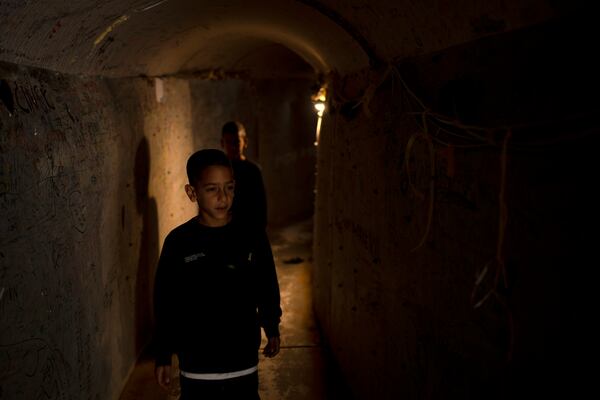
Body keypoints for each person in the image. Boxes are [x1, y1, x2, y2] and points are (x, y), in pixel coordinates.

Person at [152, 149, 282, 400]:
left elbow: (266, 283)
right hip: (197, 364)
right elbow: (165, 301)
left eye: (229, 188)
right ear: (192, 192)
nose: (223, 197)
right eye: (212, 189)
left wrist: (271, 324)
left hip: (242, 357)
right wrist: (163, 354)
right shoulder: (179, 243)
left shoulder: (252, 236)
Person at [221, 121, 268, 229]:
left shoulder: (253, 171)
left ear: (245, 142)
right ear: (222, 143)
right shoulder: (217, 172)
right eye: (228, 142)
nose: (233, 147)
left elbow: (260, 208)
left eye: (236, 142)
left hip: (248, 230)